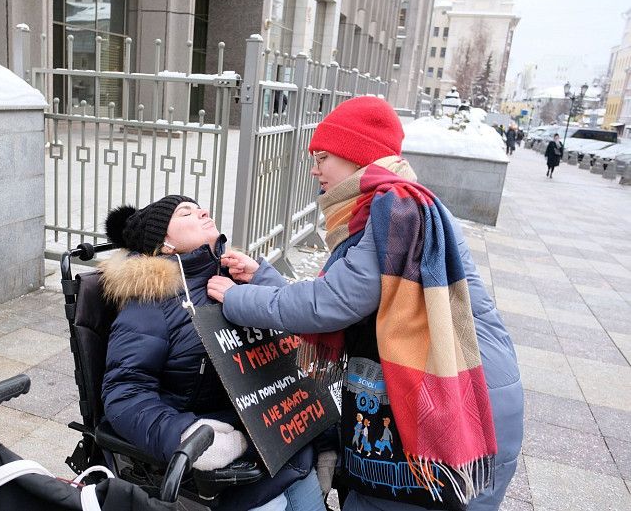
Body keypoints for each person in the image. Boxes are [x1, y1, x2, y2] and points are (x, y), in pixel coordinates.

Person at [206, 96, 523, 511]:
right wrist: (264, 278)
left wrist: (238, 297)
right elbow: (351, 292)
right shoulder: (396, 202)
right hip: (464, 383)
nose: (314, 169)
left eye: (323, 157)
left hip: (453, 395)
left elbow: (333, 303)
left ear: (357, 156)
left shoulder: (395, 205)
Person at [99, 195, 325, 511]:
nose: (204, 211)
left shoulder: (234, 281)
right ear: (165, 243)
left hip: (273, 438)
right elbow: (123, 393)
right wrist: (188, 436)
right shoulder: (150, 307)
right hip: (215, 455)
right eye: (186, 213)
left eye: (200, 206)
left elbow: (288, 341)